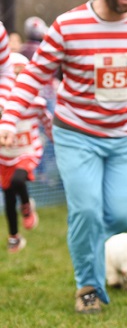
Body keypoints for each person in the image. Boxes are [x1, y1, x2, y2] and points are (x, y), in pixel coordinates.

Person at [0, 0, 127, 313]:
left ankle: (87, 239)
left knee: (126, 217)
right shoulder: (68, 25)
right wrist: (9, 118)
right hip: (77, 134)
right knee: (87, 211)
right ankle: (87, 286)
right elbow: (33, 76)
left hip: (125, 136)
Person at [2, 53, 52, 253]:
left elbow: (47, 121)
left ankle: (26, 206)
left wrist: (55, 137)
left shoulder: (36, 103)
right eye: (12, 75)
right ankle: (14, 237)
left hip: (28, 151)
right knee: (7, 195)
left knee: (17, 181)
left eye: (20, 74)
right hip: (5, 155)